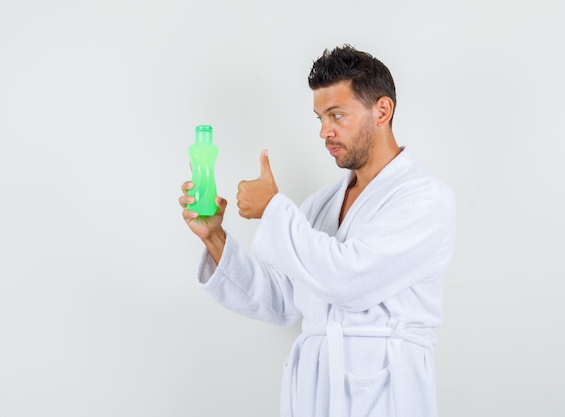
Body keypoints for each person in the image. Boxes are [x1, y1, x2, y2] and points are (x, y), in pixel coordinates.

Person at [179, 45, 455, 417]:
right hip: (314, 392)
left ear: (382, 111)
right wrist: (214, 237)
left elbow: (349, 280)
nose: (324, 131)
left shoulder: (424, 198)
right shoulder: (321, 204)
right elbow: (279, 299)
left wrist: (274, 209)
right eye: (320, 117)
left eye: (336, 114)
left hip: (386, 391)